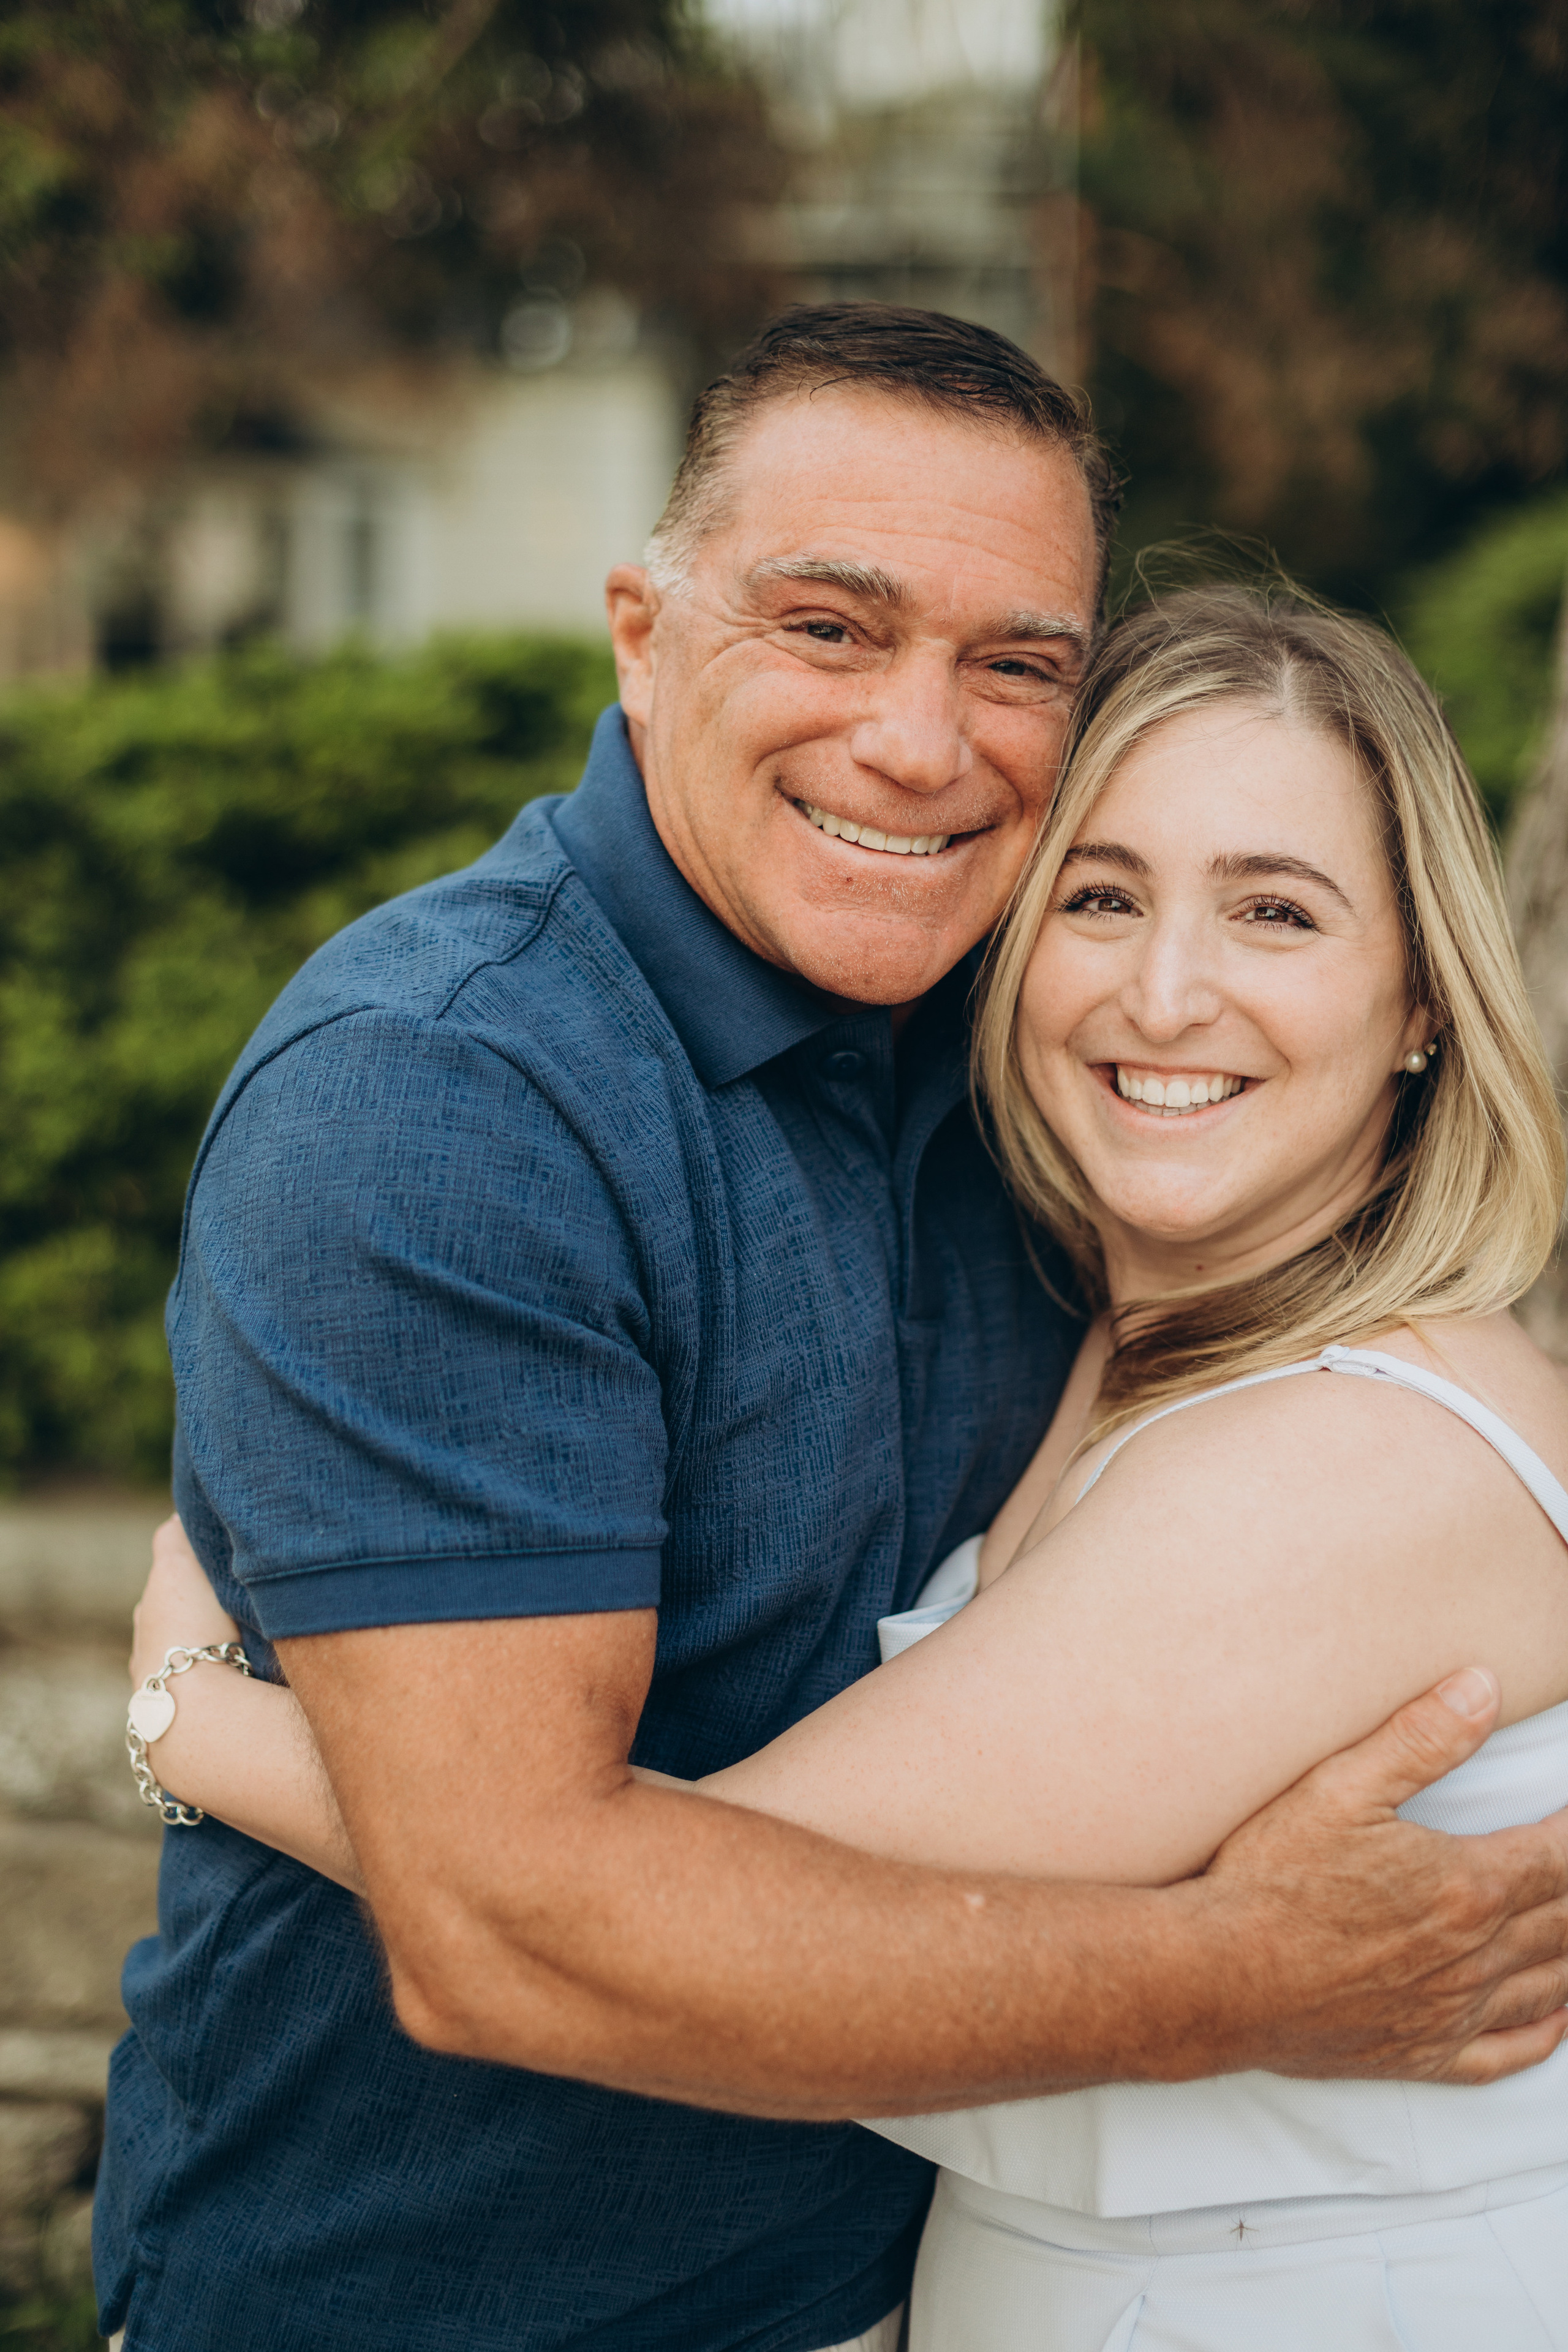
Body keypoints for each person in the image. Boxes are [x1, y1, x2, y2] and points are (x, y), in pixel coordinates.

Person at [101, 308, 1568, 2352]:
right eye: (828, 626)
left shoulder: (1179, 1292)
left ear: (1428, 999)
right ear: (641, 631)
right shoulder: (447, 1094)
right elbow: (530, 1934)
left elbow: (568, 1909)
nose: (916, 740)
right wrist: (1250, 1969)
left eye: (1018, 667)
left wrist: (192, 1708)